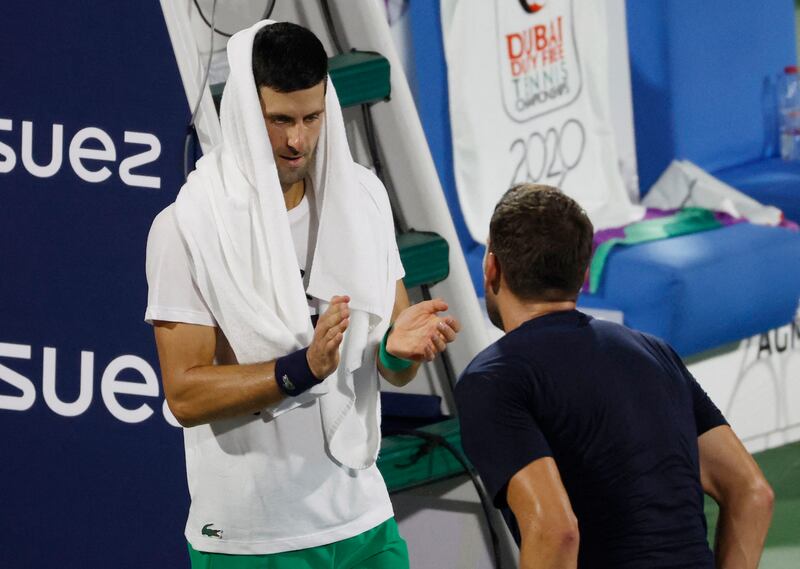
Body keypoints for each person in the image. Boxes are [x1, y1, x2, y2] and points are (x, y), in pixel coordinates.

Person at [145, 21, 459, 569]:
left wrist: (395, 352)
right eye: (280, 120)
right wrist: (299, 370)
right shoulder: (186, 227)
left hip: (363, 518)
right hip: (254, 538)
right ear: (246, 111)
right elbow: (185, 394)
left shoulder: (363, 200)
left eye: (312, 117)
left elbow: (392, 367)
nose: (298, 140)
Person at [454, 184, 774, 569]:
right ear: (585, 272)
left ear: (492, 269)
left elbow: (556, 532)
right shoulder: (654, 353)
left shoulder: (492, 379)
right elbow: (752, 492)